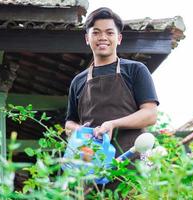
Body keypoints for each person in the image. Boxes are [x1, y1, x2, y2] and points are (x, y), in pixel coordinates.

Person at [65, 7, 159, 158]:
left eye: (109, 32)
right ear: (87, 39)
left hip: (130, 162)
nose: (103, 37)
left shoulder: (135, 70)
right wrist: (79, 130)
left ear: (119, 38)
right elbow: (70, 122)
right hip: (91, 166)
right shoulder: (78, 81)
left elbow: (150, 114)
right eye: (96, 32)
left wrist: (113, 124)